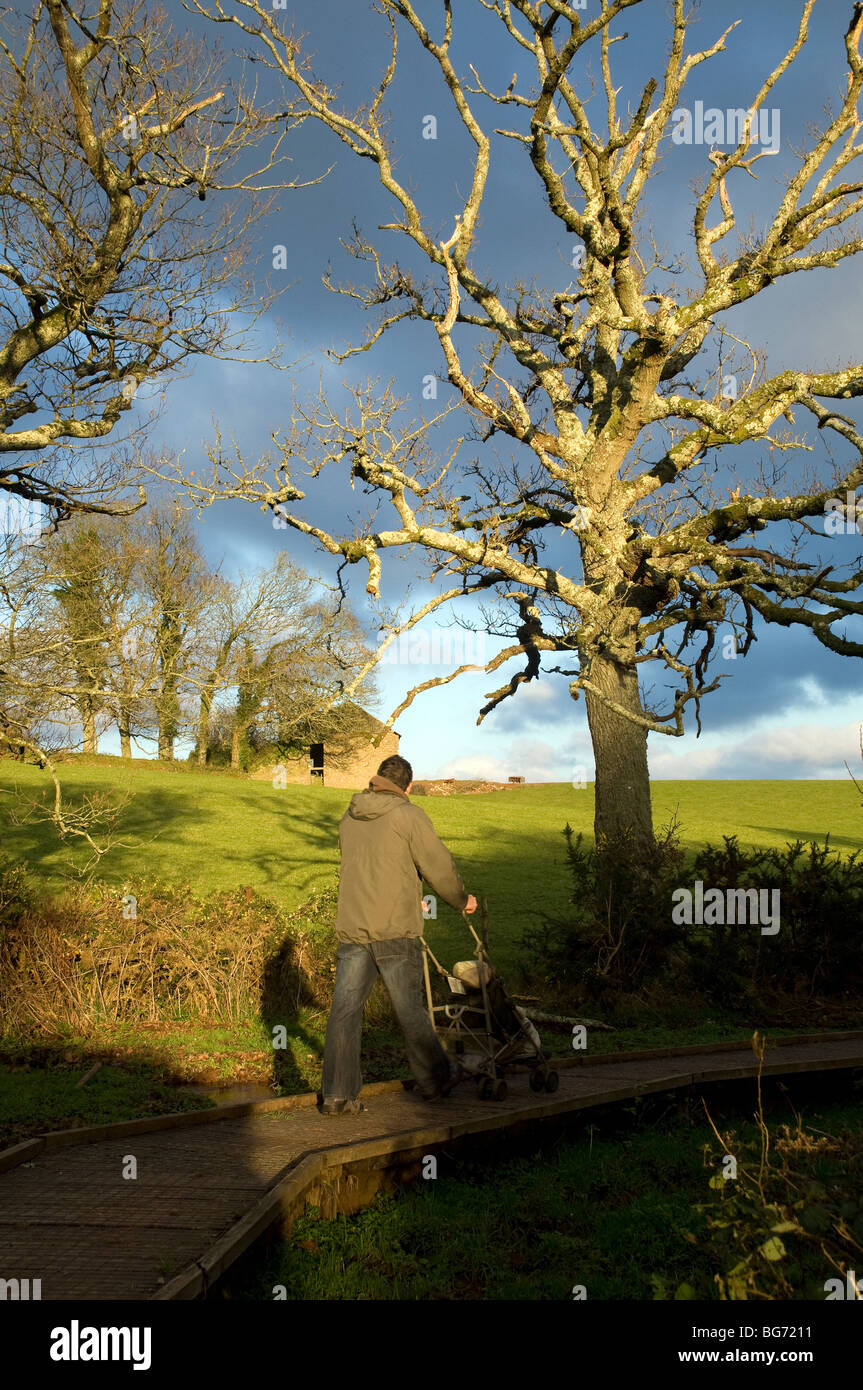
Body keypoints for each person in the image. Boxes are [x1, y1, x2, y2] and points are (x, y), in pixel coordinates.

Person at [318, 753, 477, 1115]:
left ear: (377, 781)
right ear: (406, 786)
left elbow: (369, 869)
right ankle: (437, 1080)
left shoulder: (349, 817)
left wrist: (410, 896)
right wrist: (461, 899)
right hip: (394, 929)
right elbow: (437, 865)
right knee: (410, 1011)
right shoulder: (408, 815)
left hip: (354, 928)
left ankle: (336, 1096)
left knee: (344, 1012)